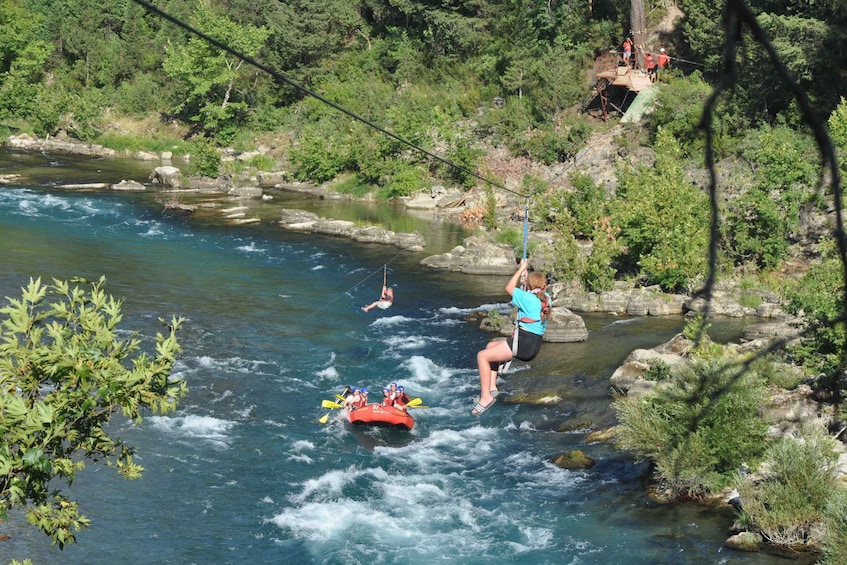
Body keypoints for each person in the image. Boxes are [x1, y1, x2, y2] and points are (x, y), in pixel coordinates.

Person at [473, 259, 550, 416]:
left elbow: (508, 288)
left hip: (522, 344)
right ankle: (492, 387)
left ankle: (486, 397)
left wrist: (521, 268)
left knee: (482, 356)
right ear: (544, 286)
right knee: (490, 347)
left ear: (529, 286)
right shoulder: (546, 298)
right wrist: (525, 278)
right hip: (531, 344)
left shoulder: (528, 299)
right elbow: (532, 294)